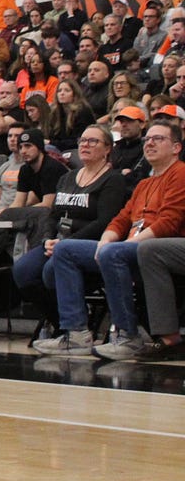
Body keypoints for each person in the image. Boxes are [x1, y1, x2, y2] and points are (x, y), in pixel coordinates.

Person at [36, 123, 185, 358]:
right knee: (65, 249)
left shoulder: (180, 174)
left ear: (176, 147)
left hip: (158, 246)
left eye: (158, 138)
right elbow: (121, 218)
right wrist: (107, 239)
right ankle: (76, 334)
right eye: (147, 139)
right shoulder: (145, 183)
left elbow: (169, 222)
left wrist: (121, 246)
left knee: (111, 253)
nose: (150, 143)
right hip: (130, 246)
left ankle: (127, 335)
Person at [11, 125, 128, 336]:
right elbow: (52, 215)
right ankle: (59, 322)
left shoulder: (113, 179)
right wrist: (47, 238)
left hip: (87, 244)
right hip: (57, 241)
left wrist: (67, 243)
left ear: (107, 148)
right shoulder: (67, 177)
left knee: (50, 271)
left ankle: (75, 327)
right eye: (82, 140)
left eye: (93, 141)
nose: (85, 145)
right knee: (23, 272)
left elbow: (105, 221)